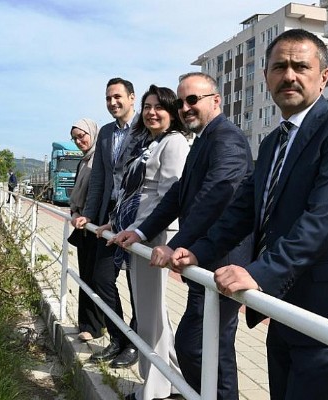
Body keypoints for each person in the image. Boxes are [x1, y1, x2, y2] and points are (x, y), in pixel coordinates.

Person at [170, 29, 328, 400]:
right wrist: (199, 250)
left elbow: (323, 219)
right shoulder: (273, 142)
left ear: (324, 77)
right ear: (267, 77)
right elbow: (243, 208)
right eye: (279, 66)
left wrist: (257, 273)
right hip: (284, 304)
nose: (290, 75)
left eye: (301, 66)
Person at [113, 72, 253, 400]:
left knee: (197, 347)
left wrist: (174, 244)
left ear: (216, 101)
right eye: (181, 101)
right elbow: (179, 195)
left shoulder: (226, 138)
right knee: (209, 348)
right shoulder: (204, 139)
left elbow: (214, 196)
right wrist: (140, 231)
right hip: (205, 262)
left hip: (223, 261)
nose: (186, 107)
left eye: (193, 99)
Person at [99, 85, 189, 400]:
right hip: (140, 233)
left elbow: (166, 196)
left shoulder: (175, 142)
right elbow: (136, 193)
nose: (151, 112)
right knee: (153, 314)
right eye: (148, 106)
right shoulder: (154, 142)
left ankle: (155, 390)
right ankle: (172, 381)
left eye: (159, 107)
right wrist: (118, 222)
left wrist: (137, 230)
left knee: (152, 315)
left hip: (155, 236)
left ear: (173, 111)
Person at [72, 77, 141, 368]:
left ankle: (135, 342)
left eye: (117, 97)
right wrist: (90, 214)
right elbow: (98, 179)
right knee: (101, 279)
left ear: (131, 98)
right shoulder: (105, 134)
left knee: (137, 284)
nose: (113, 102)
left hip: (138, 216)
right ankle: (118, 337)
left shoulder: (146, 128)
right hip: (107, 217)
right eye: (108, 98)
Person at [67, 118, 105, 342]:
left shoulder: (98, 159)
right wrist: (74, 212)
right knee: (86, 276)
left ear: (92, 133)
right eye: (75, 138)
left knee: (96, 278)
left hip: (94, 226)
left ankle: (94, 326)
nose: (79, 141)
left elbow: (98, 192)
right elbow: (77, 194)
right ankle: (87, 324)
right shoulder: (84, 161)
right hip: (82, 224)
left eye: (82, 136)